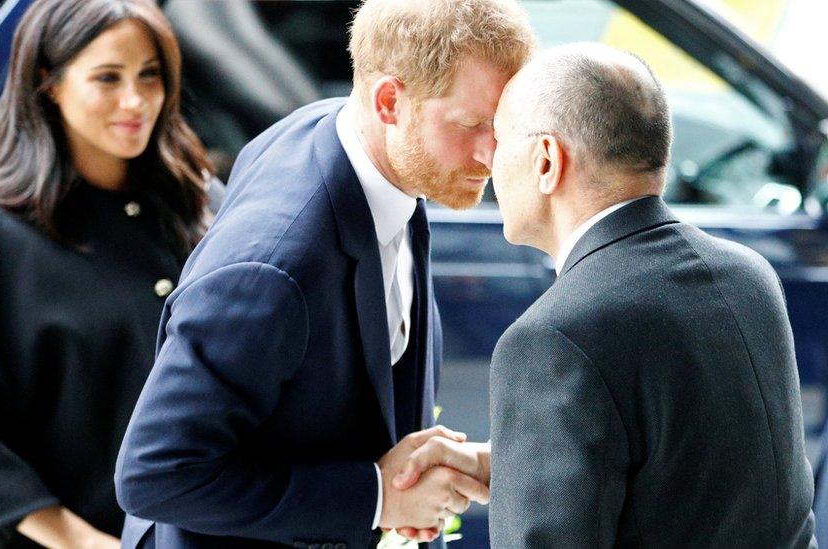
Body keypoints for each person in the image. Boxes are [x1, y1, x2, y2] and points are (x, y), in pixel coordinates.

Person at [113, 0, 534, 547]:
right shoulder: (271, 270)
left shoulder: (368, 144)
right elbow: (155, 475)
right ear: (390, 102)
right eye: (472, 125)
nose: (492, 155)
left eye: (502, 126)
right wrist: (378, 495)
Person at [0, 0, 220, 546]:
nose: (135, 100)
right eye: (107, 78)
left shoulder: (194, 208)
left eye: (150, 75)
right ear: (50, 83)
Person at [486, 42, 816, 547]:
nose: (488, 159)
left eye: (499, 138)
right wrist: (512, 462)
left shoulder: (552, 338)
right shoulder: (749, 276)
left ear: (547, 160)